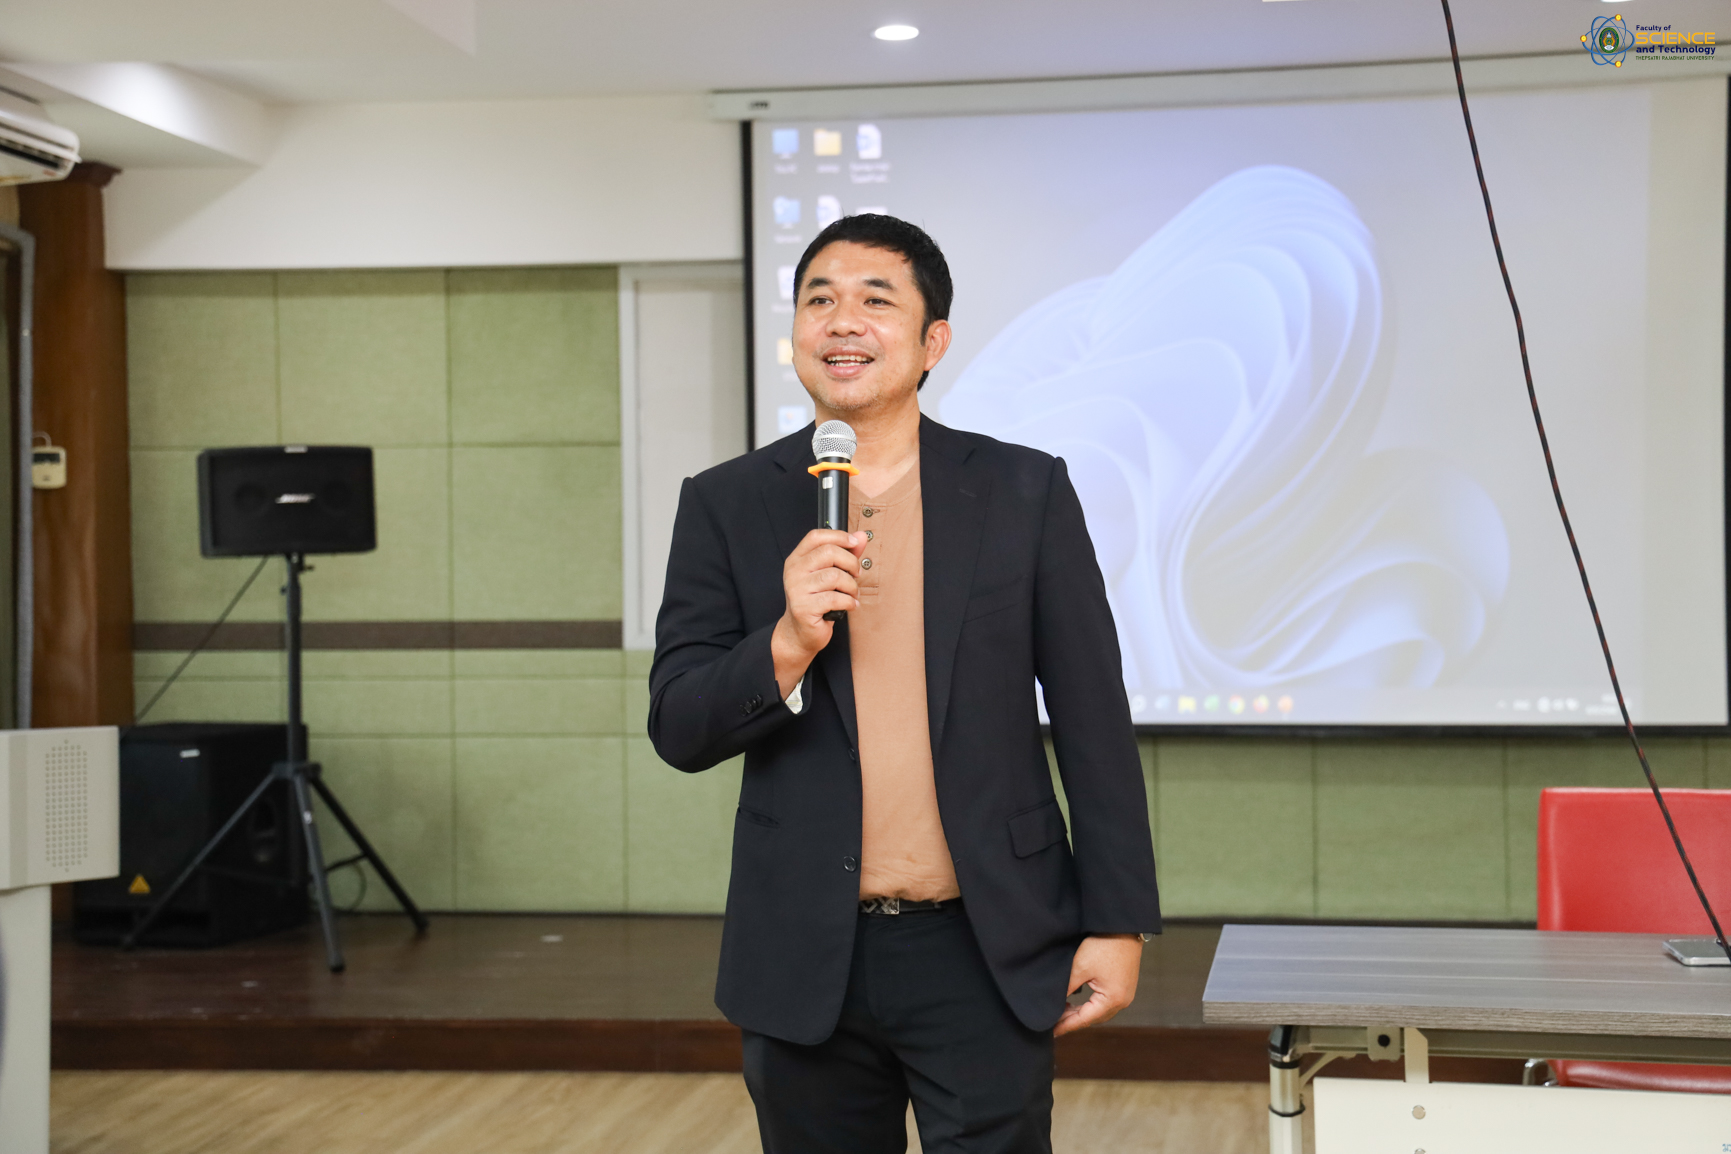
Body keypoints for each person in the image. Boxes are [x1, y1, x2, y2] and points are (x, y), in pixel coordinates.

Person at [649, 214, 1160, 1153]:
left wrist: (1118, 921)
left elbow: (1093, 717)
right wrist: (786, 642)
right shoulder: (725, 501)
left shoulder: (1021, 490)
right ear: (795, 334)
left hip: (987, 940)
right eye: (819, 300)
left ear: (932, 342)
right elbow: (679, 726)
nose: (842, 321)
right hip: (801, 949)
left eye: (875, 301)